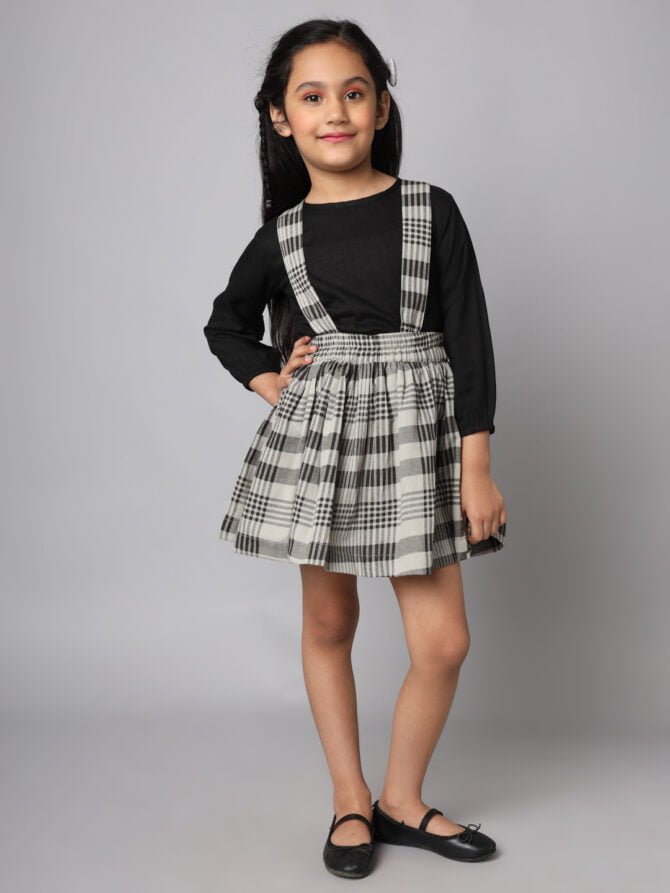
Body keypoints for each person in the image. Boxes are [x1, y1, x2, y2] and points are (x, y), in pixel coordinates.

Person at [203, 18, 508, 880]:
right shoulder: (284, 234)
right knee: (331, 622)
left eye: (353, 92)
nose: (334, 111)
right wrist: (272, 380)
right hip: (325, 441)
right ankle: (350, 797)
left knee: (442, 641)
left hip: (418, 441)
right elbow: (225, 324)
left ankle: (401, 799)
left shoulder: (431, 210)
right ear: (280, 117)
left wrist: (476, 463)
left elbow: (471, 340)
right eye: (311, 96)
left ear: (380, 107)